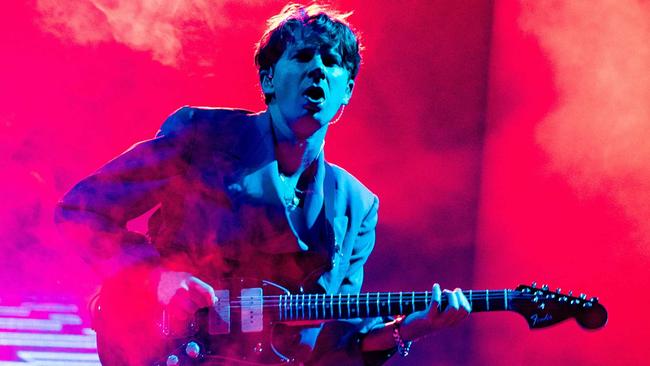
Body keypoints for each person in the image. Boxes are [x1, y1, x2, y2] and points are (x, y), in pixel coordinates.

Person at [56, 3, 471, 365]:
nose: (318, 69)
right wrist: (158, 278)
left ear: (347, 91)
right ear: (268, 79)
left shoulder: (354, 206)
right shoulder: (204, 136)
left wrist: (410, 329)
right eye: (304, 55)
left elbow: (333, 345)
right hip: (159, 350)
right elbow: (82, 211)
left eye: (332, 62)